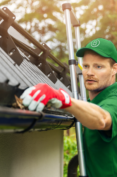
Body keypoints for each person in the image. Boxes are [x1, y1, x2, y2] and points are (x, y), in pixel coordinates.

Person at [20, 38, 117, 177]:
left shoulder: (114, 99)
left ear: (114, 69)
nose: (90, 72)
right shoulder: (92, 102)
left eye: (98, 66)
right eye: (86, 66)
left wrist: (63, 99)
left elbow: (103, 119)